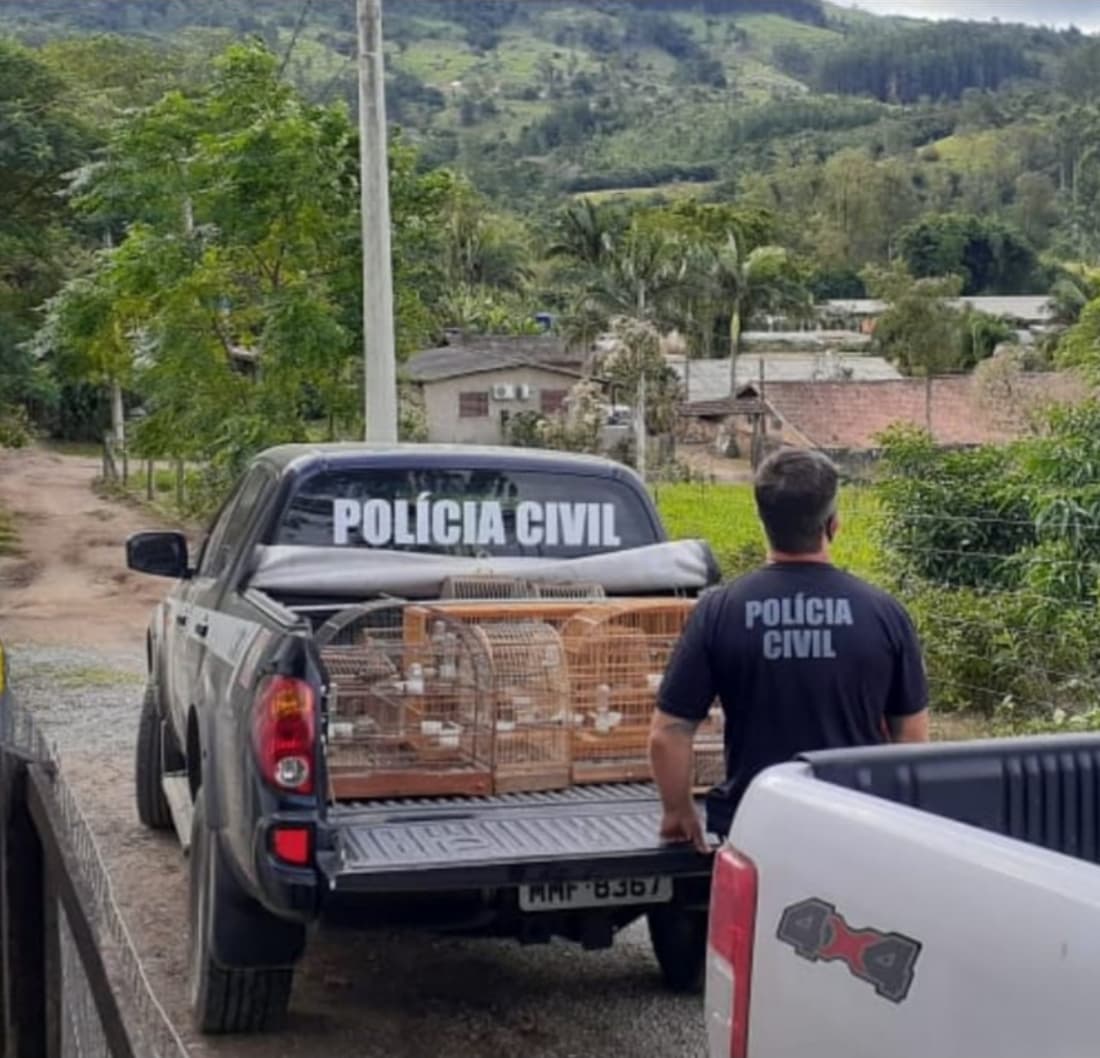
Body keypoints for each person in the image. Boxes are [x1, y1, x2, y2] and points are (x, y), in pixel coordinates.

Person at [649, 447, 929, 854]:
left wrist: (678, 812)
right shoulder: (884, 613)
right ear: (833, 524)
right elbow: (911, 737)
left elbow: (668, 732)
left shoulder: (720, 611)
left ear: (763, 522)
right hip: (857, 829)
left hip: (756, 829)